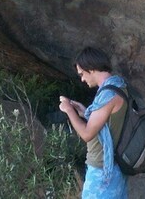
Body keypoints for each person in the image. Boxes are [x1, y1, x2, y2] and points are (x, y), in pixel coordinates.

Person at [59, 47, 128, 199]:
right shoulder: (119, 86)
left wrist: (69, 110)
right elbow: (108, 121)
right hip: (116, 165)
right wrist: (84, 112)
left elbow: (87, 134)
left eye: (82, 74)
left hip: (103, 170)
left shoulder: (108, 94)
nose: (82, 79)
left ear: (91, 68)